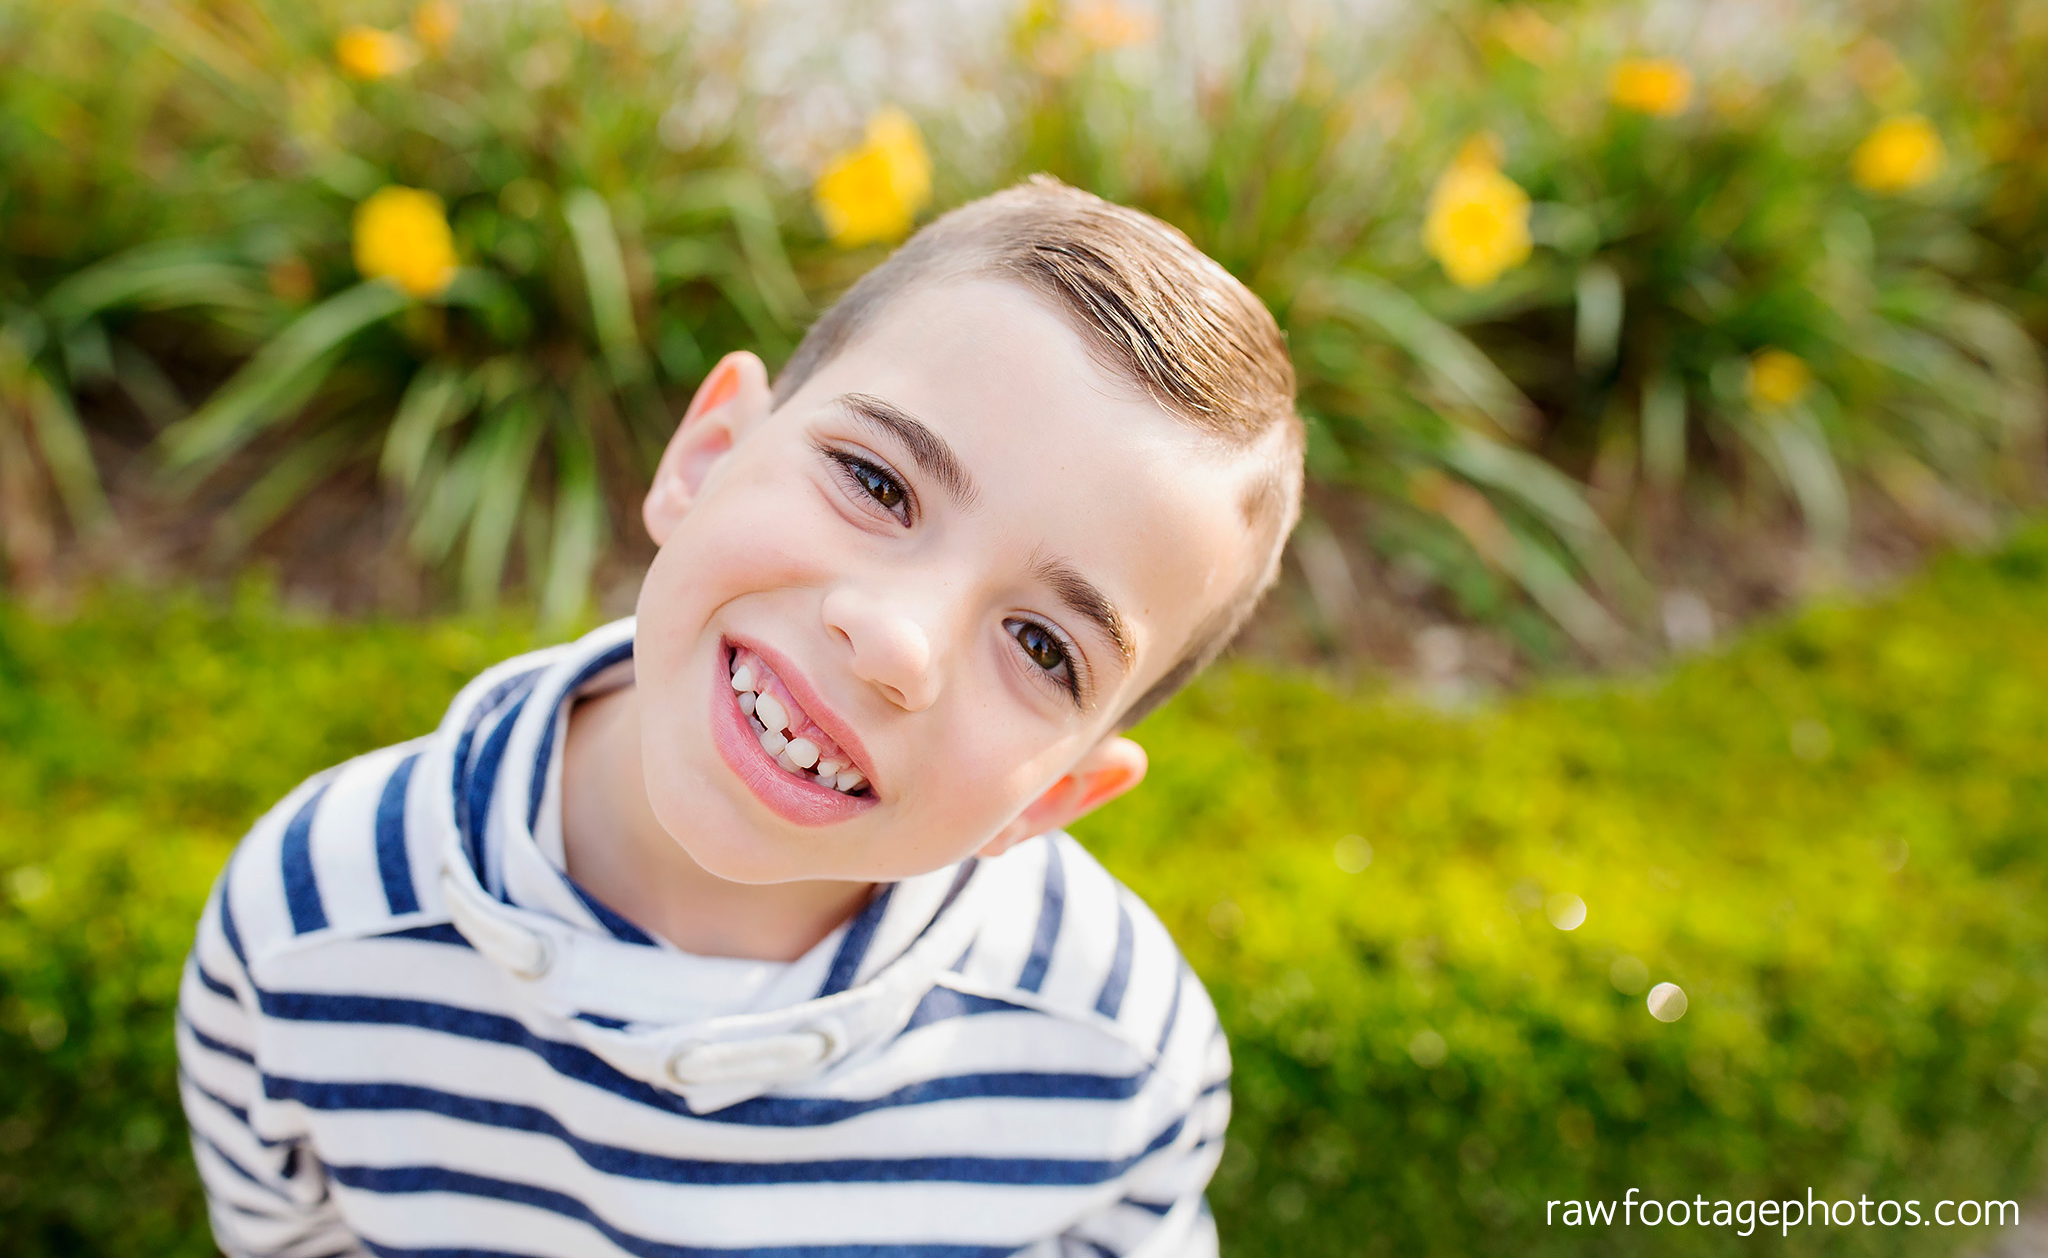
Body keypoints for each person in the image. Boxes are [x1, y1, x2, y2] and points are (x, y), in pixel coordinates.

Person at [175, 176, 1305, 1257]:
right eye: (877, 483)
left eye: (1042, 646)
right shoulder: (310, 921)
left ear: (1054, 796)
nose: (898, 644)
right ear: (705, 455)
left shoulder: (1114, 1049)